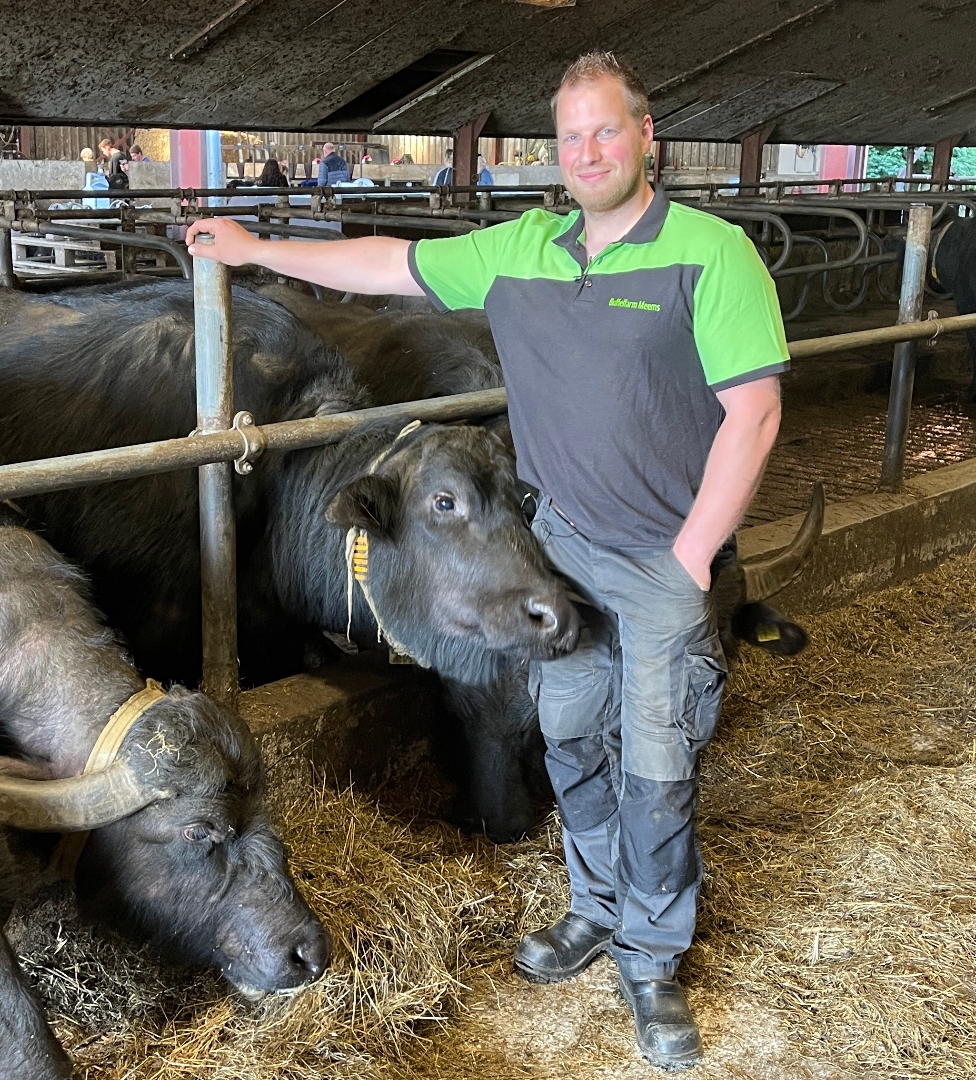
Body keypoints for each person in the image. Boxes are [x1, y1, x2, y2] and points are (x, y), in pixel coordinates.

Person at [184, 50, 784, 1070]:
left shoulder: (713, 253)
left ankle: (652, 960)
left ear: (649, 139)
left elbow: (755, 414)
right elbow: (386, 265)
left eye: (607, 131)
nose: (589, 151)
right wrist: (251, 249)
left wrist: (688, 562)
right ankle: (596, 908)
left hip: (657, 563)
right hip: (553, 553)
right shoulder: (526, 249)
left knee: (658, 771)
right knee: (575, 749)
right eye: (572, 137)